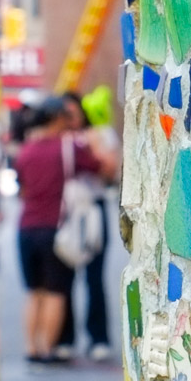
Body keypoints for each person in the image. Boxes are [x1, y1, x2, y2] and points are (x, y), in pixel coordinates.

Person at [14, 97, 113, 364]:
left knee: (34, 292)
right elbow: (100, 168)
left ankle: (30, 349)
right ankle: (47, 349)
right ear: (57, 119)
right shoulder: (68, 147)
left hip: (25, 228)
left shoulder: (26, 150)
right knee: (56, 292)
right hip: (55, 229)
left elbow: (21, 189)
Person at [55, 89, 121, 361]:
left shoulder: (101, 134)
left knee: (95, 277)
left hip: (93, 208)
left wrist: (91, 145)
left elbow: (111, 171)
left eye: (73, 112)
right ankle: (65, 338)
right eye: (63, 113)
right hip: (65, 211)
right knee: (62, 276)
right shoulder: (55, 139)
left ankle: (99, 338)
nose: (70, 118)